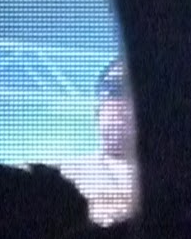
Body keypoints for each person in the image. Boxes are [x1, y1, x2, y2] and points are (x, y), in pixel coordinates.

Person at [58, 57, 139, 227]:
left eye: (132, 89)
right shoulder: (68, 176)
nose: (122, 102)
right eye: (115, 89)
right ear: (97, 112)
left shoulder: (177, 177)